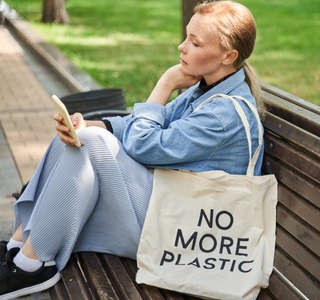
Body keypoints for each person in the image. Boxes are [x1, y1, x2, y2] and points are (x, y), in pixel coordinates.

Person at [0, 1, 264, 298]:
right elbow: (146, 126)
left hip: (189, 234)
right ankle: (20, 247)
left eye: (194, 42)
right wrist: (91, 123)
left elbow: (144, 144)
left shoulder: (222, 113)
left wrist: (165, 83)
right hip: (172, 208)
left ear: (229, 55)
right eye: (186, 37)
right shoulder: (208, 89)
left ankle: (32, 267)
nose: (182, 47)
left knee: (92, 144)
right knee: (79, 135)